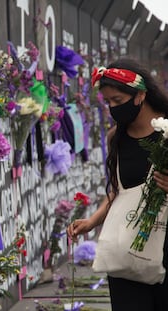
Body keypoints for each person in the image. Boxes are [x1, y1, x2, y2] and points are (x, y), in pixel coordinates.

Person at [67, 58, 168, 311]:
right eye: (108, 102)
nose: (113, 108)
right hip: (129, 252)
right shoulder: (117, 138)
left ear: (140, 95)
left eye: (118, 101)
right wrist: (93, 221)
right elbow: (117, 190)